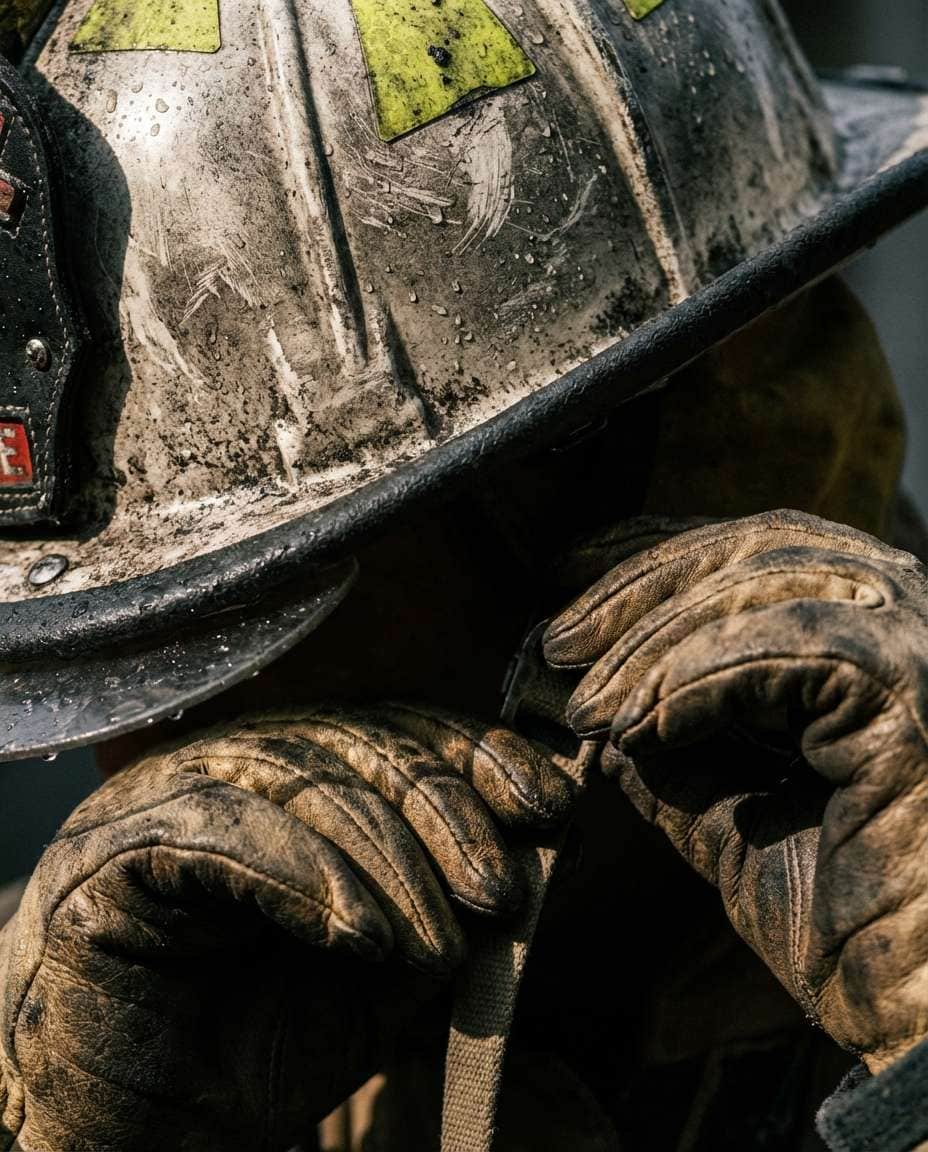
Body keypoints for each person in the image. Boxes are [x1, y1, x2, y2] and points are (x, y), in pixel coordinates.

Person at [2, 2, 928, 1149]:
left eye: (231, 629)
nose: (140, 769)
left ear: (622, 512)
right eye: (118, 665)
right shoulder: (115, 993)